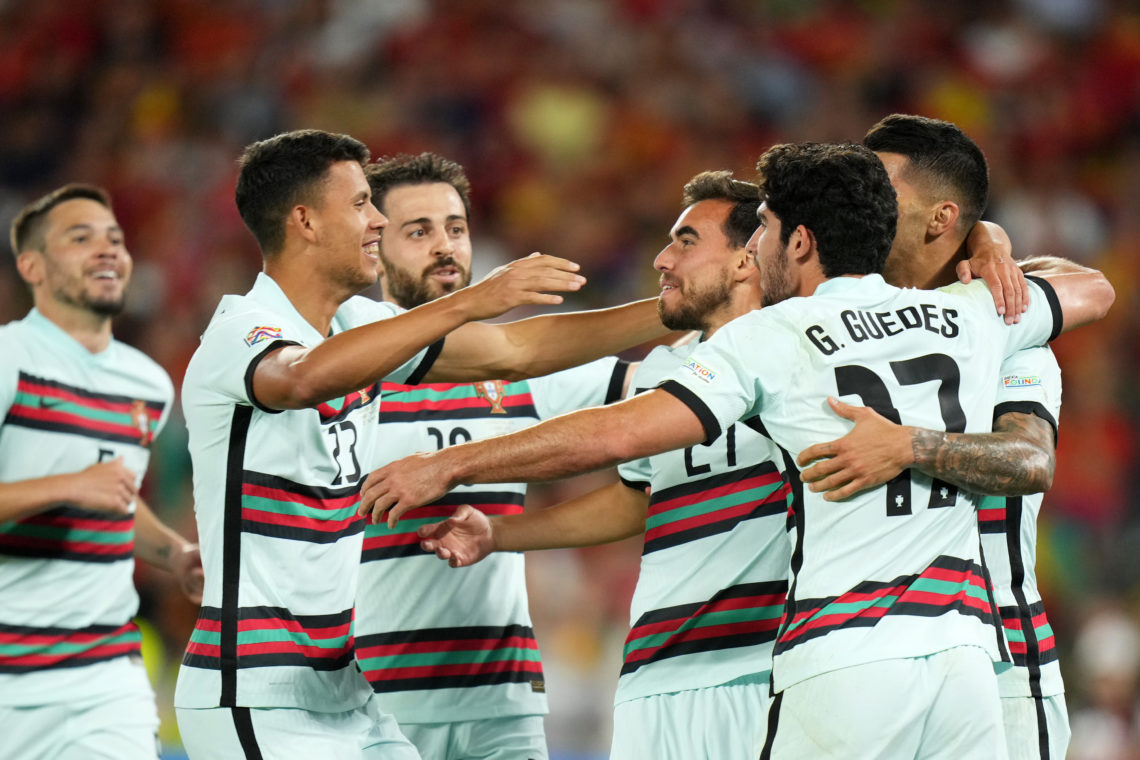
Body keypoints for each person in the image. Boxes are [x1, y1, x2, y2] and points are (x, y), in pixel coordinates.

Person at [359, 142, 1114, 759]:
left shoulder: (772, 340)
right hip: (960, 652)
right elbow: (1093, 290)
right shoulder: (968, 315)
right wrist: (990, 244)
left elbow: (614, 429)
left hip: (834, 652)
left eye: (761, 231)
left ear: (797, 241)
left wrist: (450, 463)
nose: (753, 246)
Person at [172, 130, 669, 759]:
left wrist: (680, 308)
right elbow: (300, 380)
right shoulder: (239, 329)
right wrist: (471, 302)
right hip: (256, 691)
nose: (376, 220)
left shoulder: (358, 324)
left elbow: (517, 349)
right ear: (304, 221)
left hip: (347, 693)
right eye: (360, 204)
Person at [409, 169, 791, 760]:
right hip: (655, 673)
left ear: (746, 259)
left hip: (766, 665)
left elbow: (607, 436)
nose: (662, 258)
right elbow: (635, 499)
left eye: (686, 241)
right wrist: (500, 534)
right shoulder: (666, 369)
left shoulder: (800, 351)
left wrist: (452, 465)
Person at [794, 113, 1079, 759]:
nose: (860, 197)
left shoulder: (1007, 328)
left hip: (1003, 661)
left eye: (880, 185)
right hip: (863, 655)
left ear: (941, 217)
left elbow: (1030, 461)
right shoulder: (829, 333)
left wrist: (907, 445)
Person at [353, 152, 631, 760]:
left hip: (505, 704)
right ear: (373, 244)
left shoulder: (518, 377)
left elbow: (664, 394)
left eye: (455, 227)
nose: (444, 246)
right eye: (418, 231)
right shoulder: (342, 370)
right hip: (371, 704)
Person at [0, 184, 204, 760]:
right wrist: (68, 486)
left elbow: (114, 501)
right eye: (81, 237)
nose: (108, 249)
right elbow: (88, 489)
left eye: (115, 238)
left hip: (106, 678)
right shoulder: (9, 358)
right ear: (32, 267)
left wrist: (174, 554)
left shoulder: (148, 384)